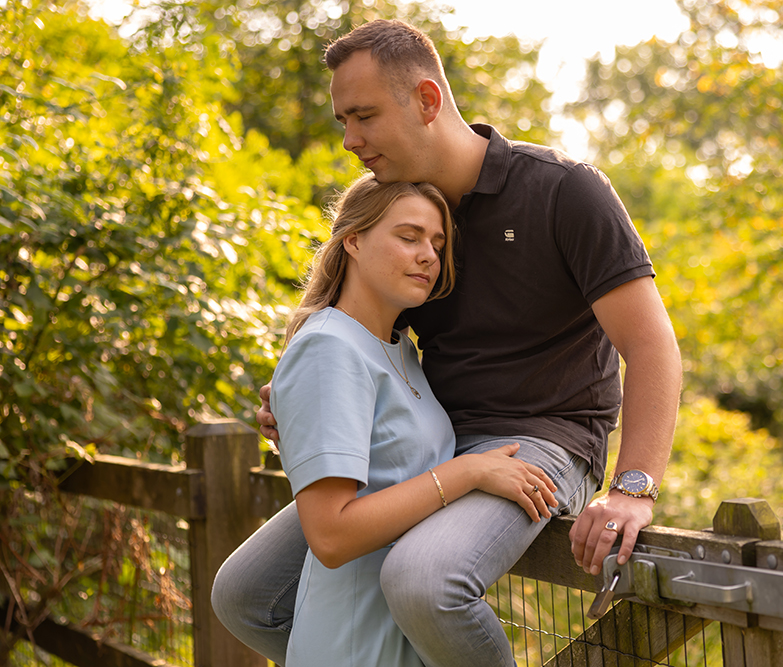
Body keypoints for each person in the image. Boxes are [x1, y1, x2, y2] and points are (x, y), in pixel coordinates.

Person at [212, 19, 683, 667]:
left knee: (423, 582)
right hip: (428, 445)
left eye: (364, 116)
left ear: (428, 101)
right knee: (245, 594)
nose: (350, 140)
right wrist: (308, 406)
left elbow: (652, 345)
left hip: (543, 443)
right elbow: (369, 347)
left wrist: (632, 487)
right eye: (343, 120)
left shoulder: (564, 191)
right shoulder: (408, 220)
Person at [266, 173, 559, 666]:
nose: (429, 255)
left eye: (437, 243)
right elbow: (331, 536)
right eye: (409, 237)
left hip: (402, 642)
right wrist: (469, 471)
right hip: (353, 648)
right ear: (353, 240)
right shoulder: (328, 347)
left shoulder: (400, 349)